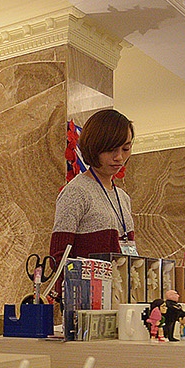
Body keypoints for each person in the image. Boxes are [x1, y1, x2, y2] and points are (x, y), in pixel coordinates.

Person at [49, 108, 135, 260]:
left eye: (125, 149)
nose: (119, 157)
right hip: (89, 276)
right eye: (111, 150)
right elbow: (58, 258)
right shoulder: (76, 192)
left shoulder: (123, 198)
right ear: (94, 147)